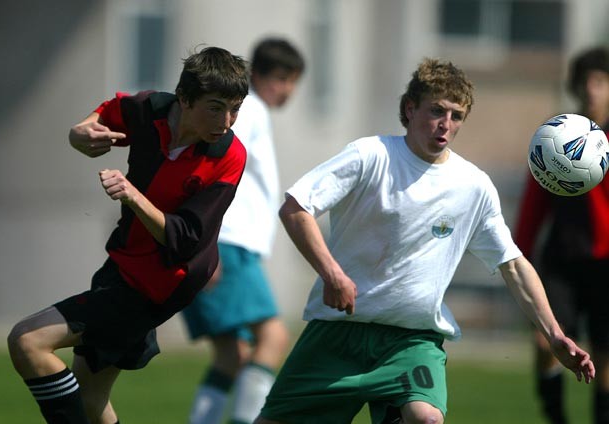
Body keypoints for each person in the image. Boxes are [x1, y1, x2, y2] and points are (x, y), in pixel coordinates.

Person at [253, 57, 596, 424]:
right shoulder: (371, 156)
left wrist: (554, 334)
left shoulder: (473, 186)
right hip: (337, 335)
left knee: (427, 419)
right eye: (436, 111)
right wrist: (332, 274)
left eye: (456, 116)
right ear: (409, 108)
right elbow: (296, 208)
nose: (445, 124)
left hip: (410, 341)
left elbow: (512, 264)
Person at [6, 46, 249, 424]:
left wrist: (133, 196)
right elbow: (107, 113)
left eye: (235, 109)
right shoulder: (150, 110)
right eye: (216, 108)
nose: (227, 121)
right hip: (123, 263)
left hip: (161, 283)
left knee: (27, 340)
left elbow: (185, 239)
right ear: (184, 98)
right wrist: (79, 132)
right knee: (90, 397)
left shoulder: (228, 155)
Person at [180, 38, 305, 424]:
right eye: (285, 79)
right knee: (274, 337)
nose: (288, 90)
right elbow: (207, 169)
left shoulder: (247, 112)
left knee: (232, 355)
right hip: (226, 244)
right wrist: (206, 245)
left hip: (222, 244)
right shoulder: (248, 110)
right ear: (265, 77)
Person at [514, 46, 609, 424]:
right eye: (585, 81)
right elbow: (534, 199)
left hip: (605, 263)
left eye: (600, 81)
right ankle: (555, 417)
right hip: (561, 259)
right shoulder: (556, 136)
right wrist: (518, 251)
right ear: (575, 86)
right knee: (545, 341)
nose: (591, 89)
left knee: (605, 357)